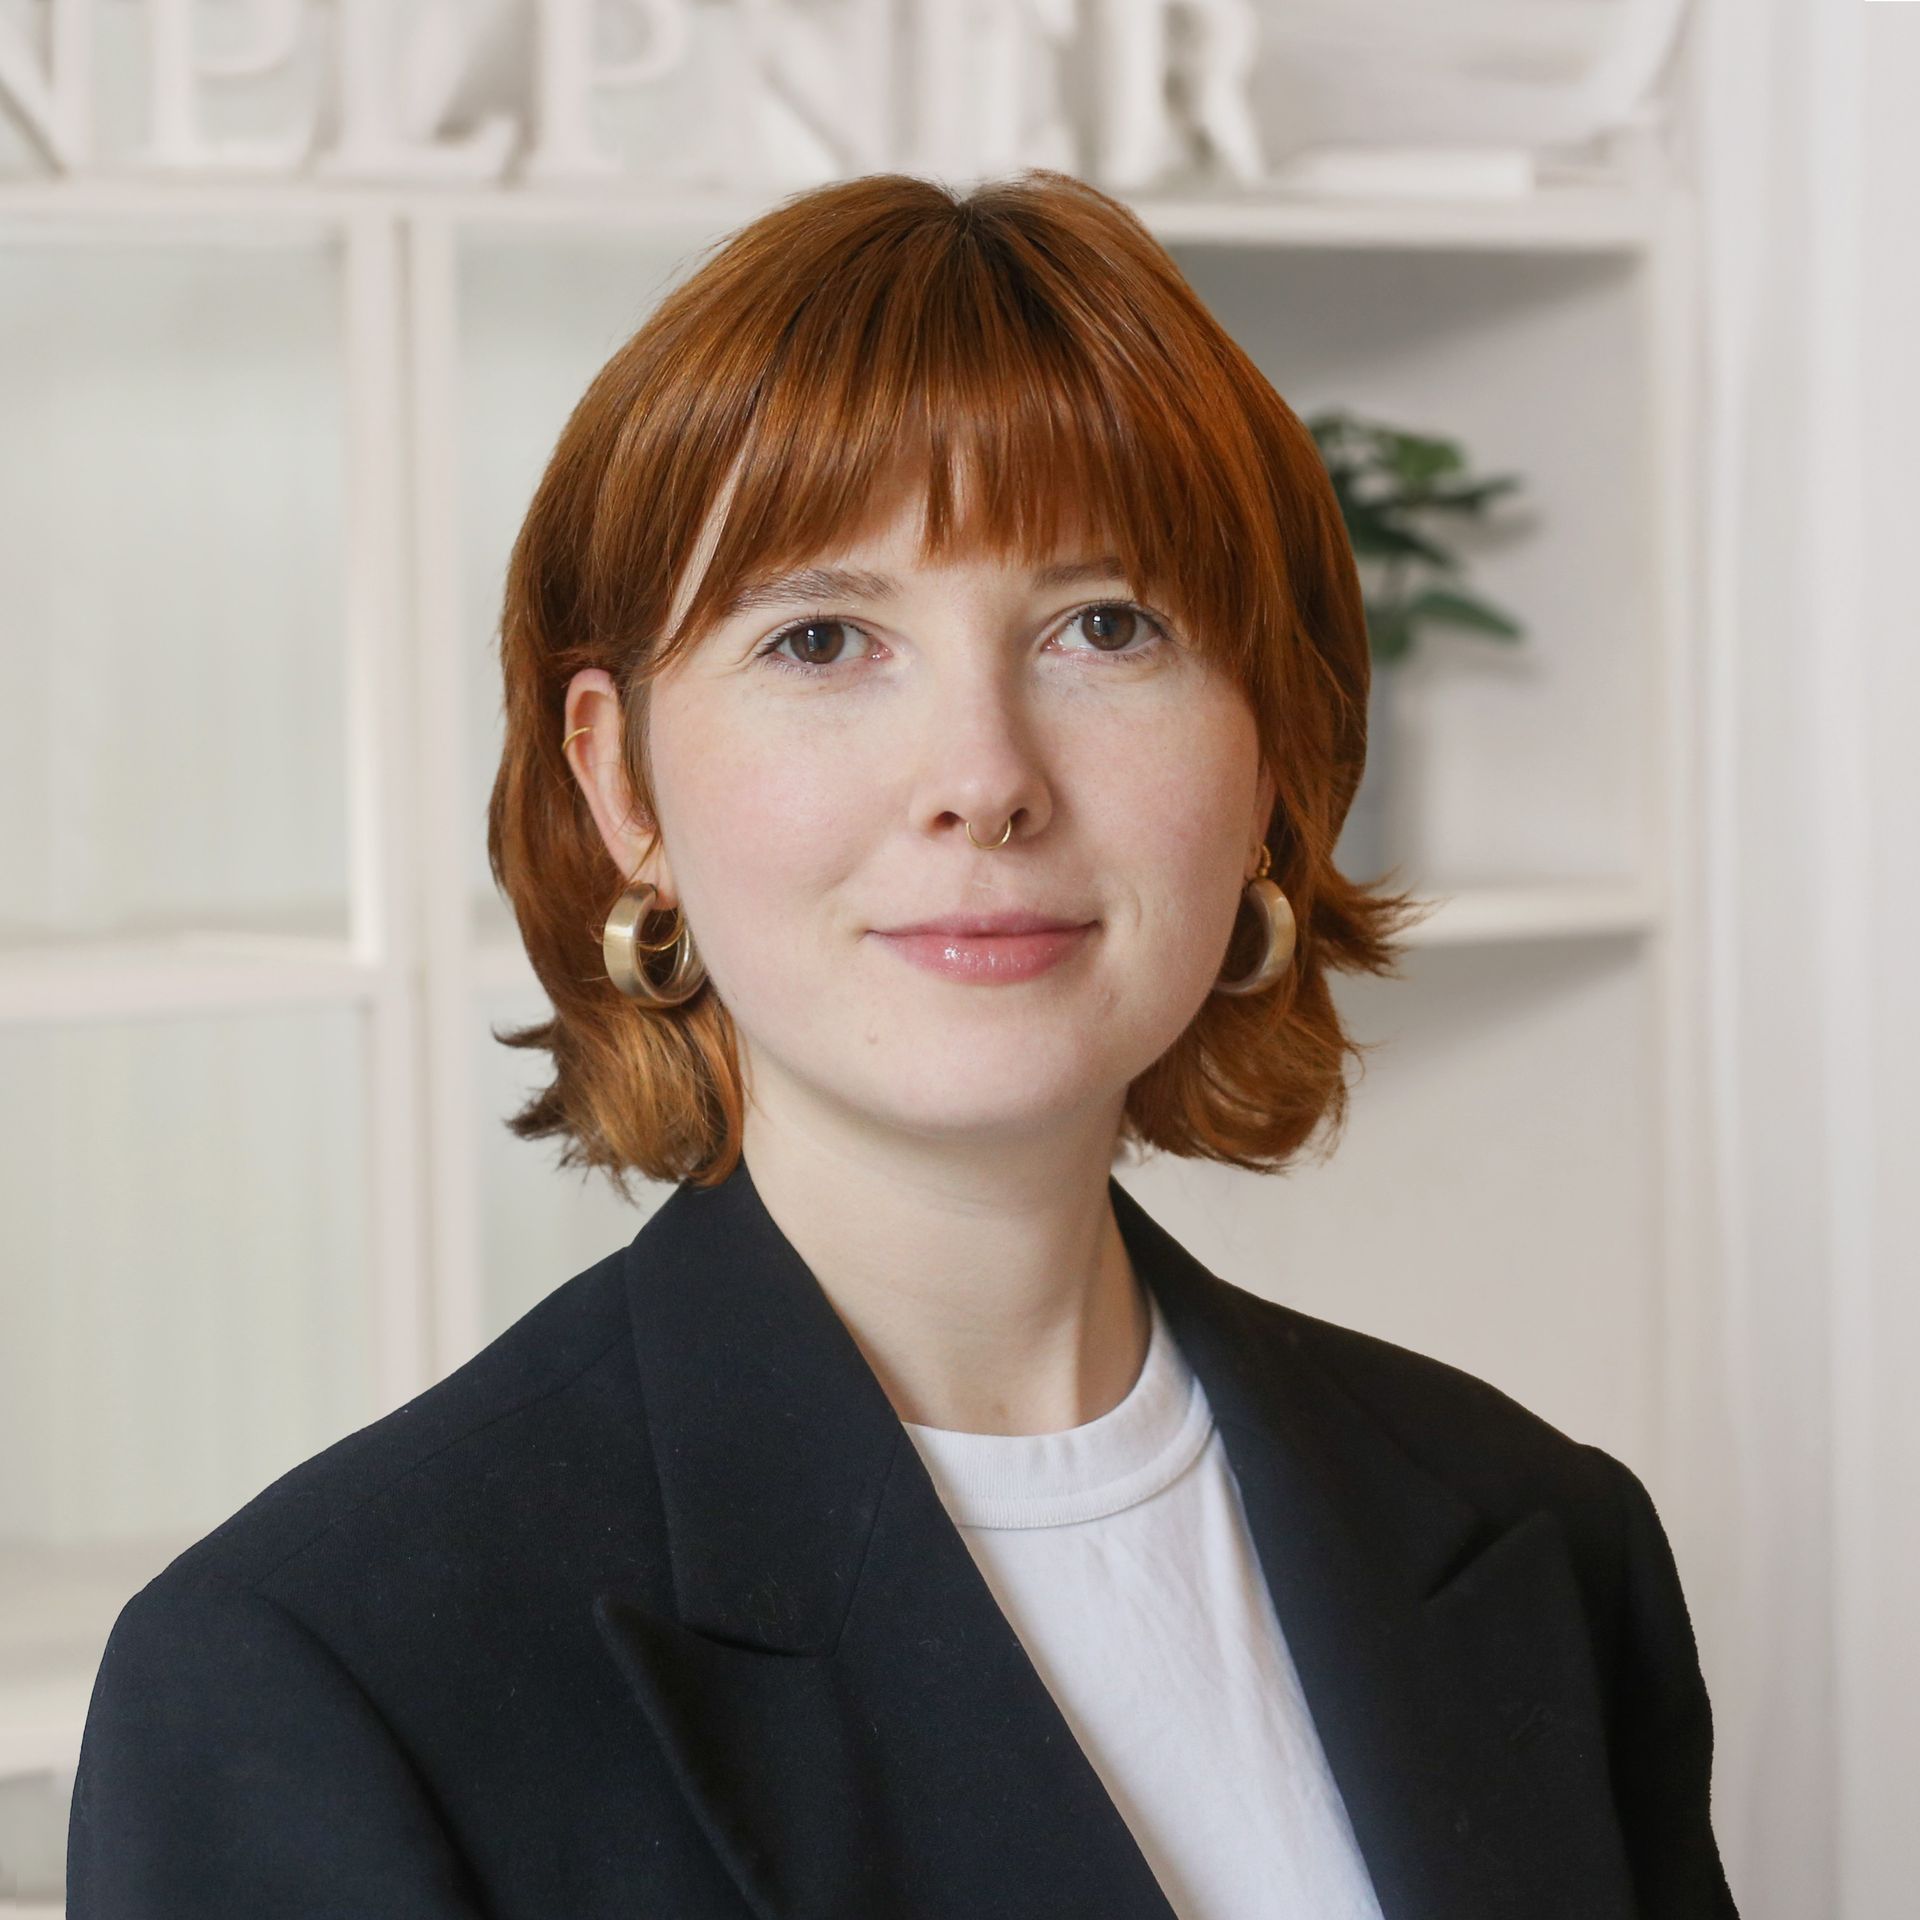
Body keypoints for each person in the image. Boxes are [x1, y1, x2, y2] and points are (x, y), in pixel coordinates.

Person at [66, 169, 1739, 1919]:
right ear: (621, 781)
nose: (984, 778)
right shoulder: (319, 1677)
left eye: (1106, 625)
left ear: (1275, 750)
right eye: (823, 639)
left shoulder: (1545, 1540)